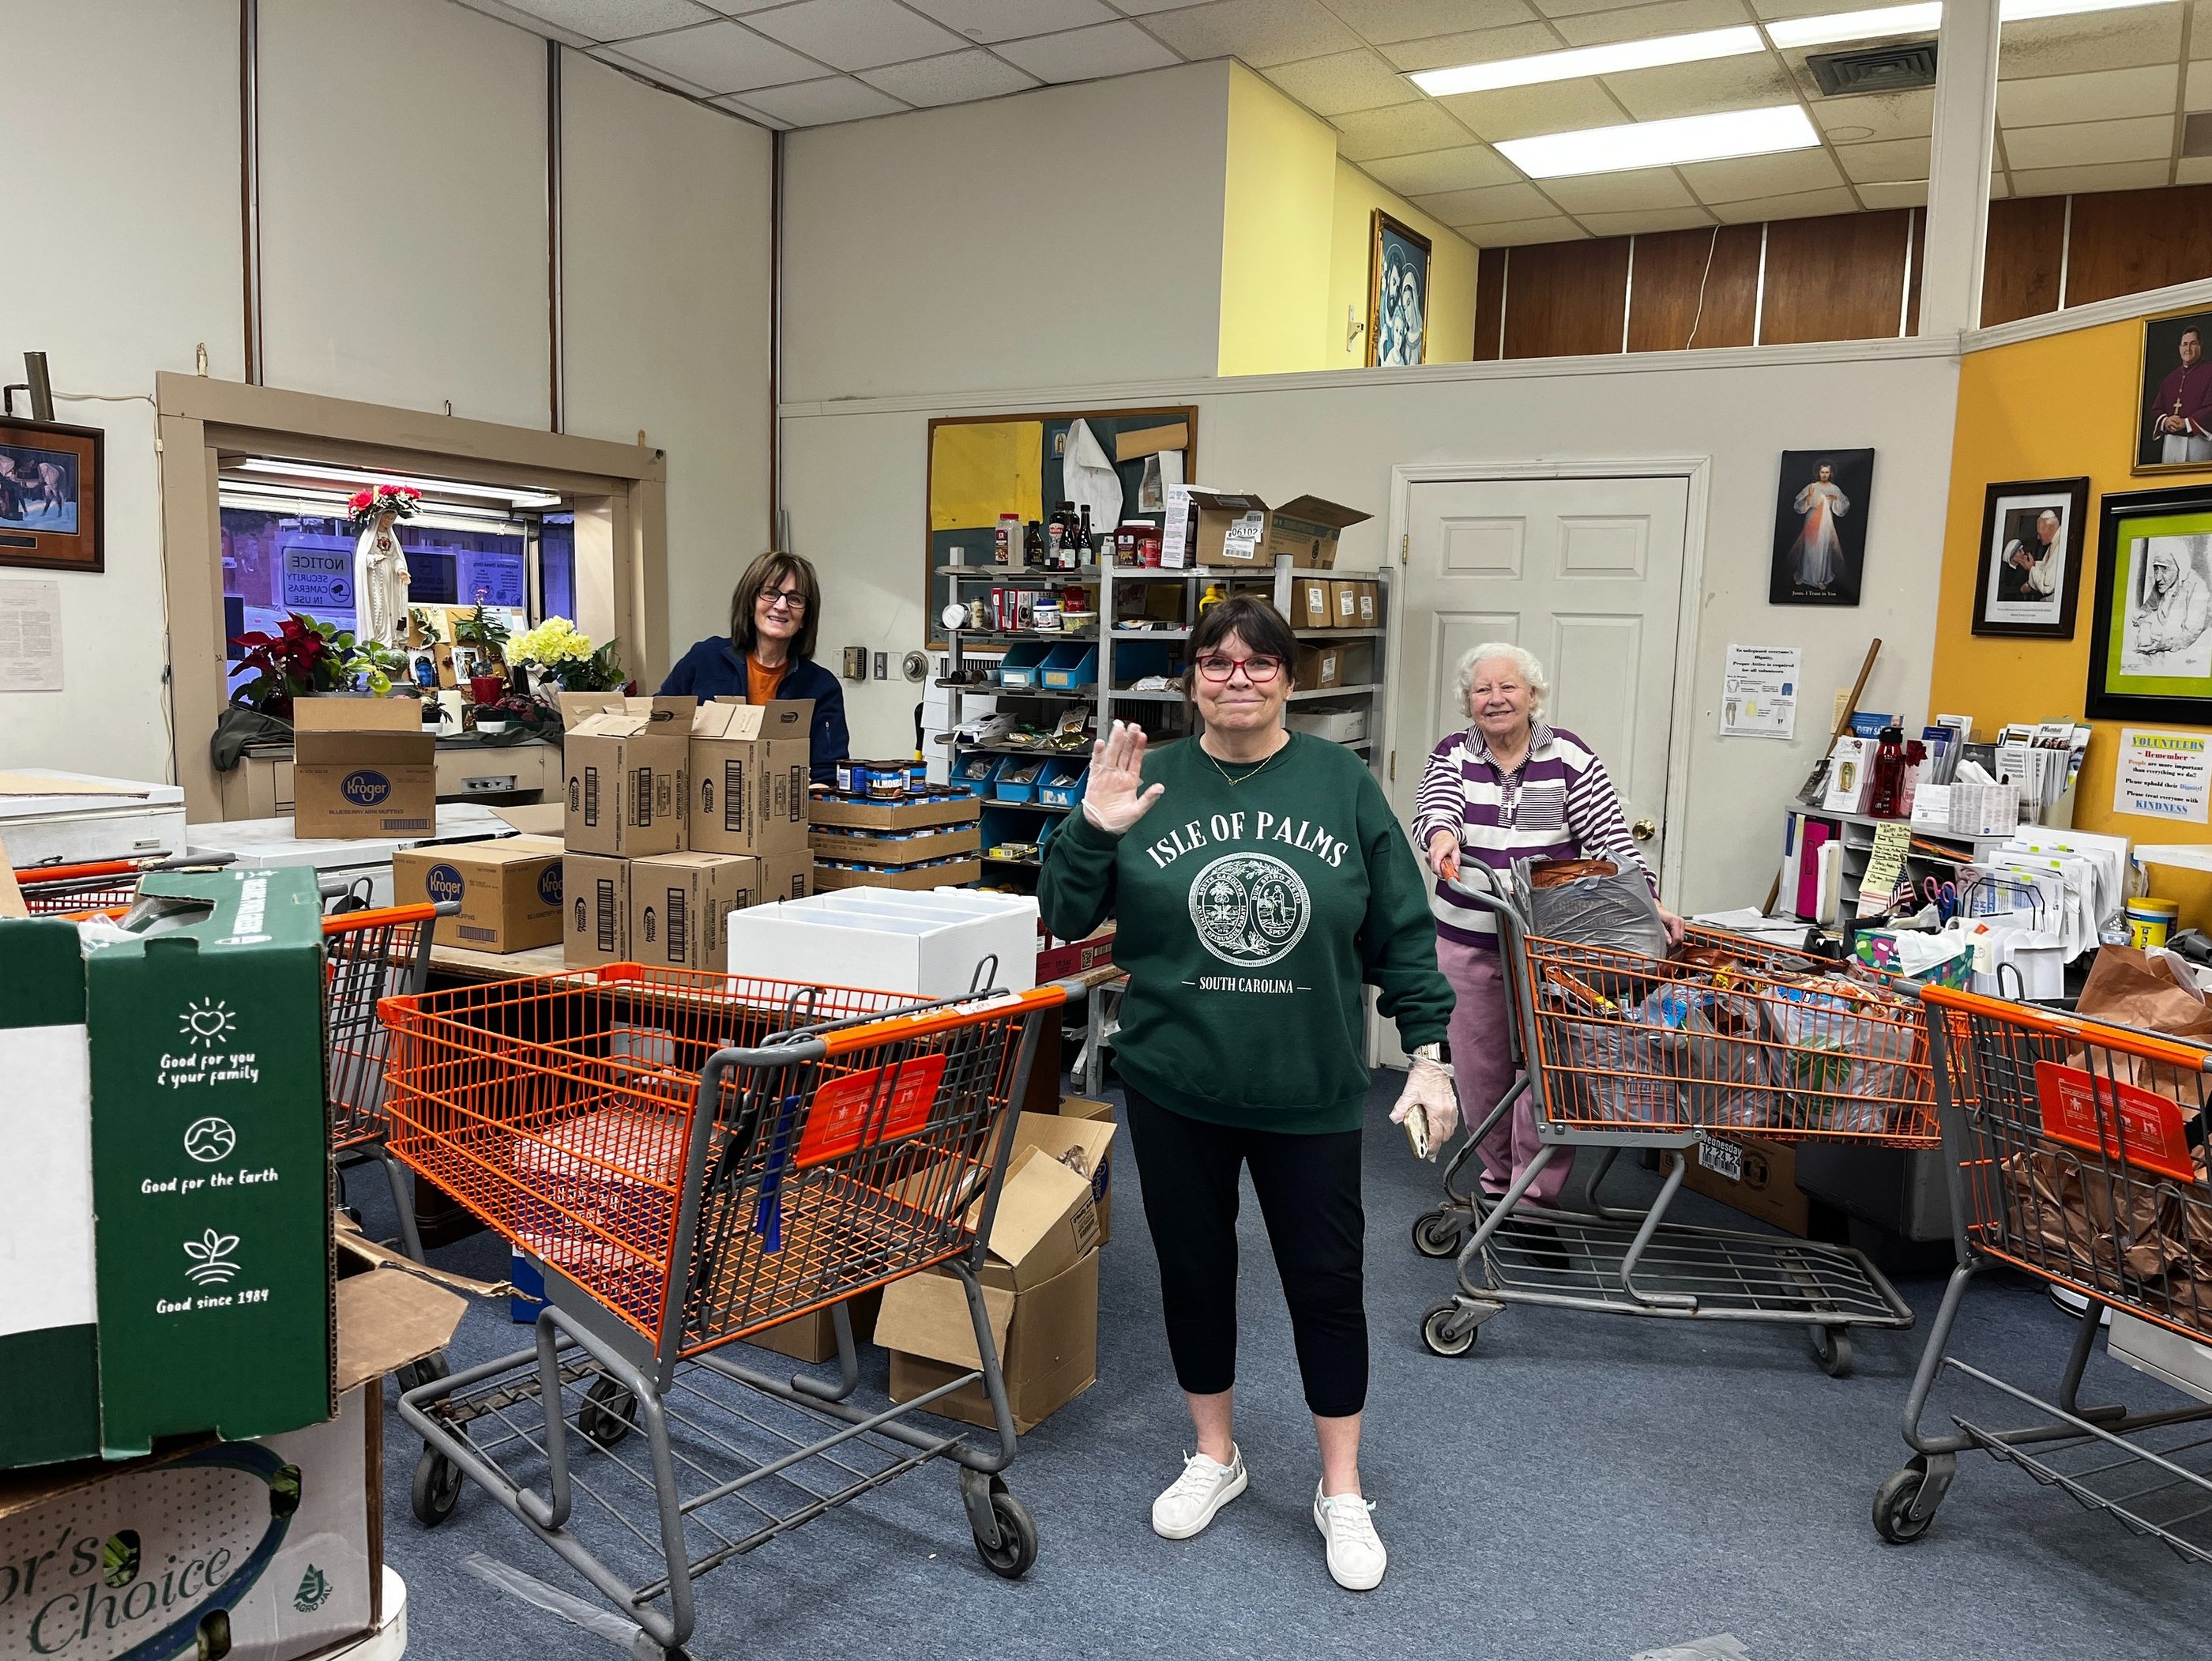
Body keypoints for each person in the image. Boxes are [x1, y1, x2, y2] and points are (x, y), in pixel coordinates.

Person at [1037, 595, 1456, 1594]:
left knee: (1325, 1280)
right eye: (1215, 661)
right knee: (1194, 1270)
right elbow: (1059, 914)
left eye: (1258, 661)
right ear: (1189, 678)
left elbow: (1399, 929)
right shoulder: (1148, 776)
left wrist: (1430, 1051)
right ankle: (1214, 1453)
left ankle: (1340, 1486)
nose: (1237, 677)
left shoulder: (1339, 781)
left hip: (1306, 1088)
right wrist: (1094, 827)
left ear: (1289, 676)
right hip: (1176, 1081)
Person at [1412, 643, 1683, 1210]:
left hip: (1547, 947)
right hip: (1468, 936)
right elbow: (1437, 808)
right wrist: (1442, 837)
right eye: (1482, 690)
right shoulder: (1453, 754)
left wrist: (1645, 903)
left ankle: (1533, 1198)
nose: (1495, 699)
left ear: (1533, 696)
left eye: (1508, 687)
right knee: (1480, 1067)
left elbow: (1610, 839)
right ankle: (1496, 1184)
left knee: (1547, 1067)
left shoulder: (1570, 757)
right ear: (1469, 702)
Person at [661, 550, 848, 786]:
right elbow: (660, 728)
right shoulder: (704, 659)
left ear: (805, 618)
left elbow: (828, 773)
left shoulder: (822, 687)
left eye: (795, 599)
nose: (781, 606)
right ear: (750, 603)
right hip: (702, 805)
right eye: (770, 593)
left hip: (783, 813)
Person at [2149, 326, 2212, 465]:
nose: (2188, 349)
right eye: (2184, 344)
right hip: (2171, 444)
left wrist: (2187, 423)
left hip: (2199, 442)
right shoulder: (2170, 378)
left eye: (2193, 343)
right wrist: (2166, 421)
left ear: (2200, 346)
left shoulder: (2210, 371)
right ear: (2179, 348)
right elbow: (2156, 409)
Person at [1789, 461, 1849, 591]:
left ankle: (1821, 579)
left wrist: (1836, 499)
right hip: (1812, 519)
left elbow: (1843, 504)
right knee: (1809, 548)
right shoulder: (1812, 487)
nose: (1824, 475)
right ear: (1819, 473)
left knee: (1823, 548)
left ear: (1830, 473)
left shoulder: (1834, 489)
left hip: (1826, 521)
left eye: (1827, 472)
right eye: (1822, 472)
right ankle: (1804, 576)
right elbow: (1799, 504)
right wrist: (1808, 499)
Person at [1998, 509, 2063, 605]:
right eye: (2019, 551)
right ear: (2011, 555)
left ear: (2050, 528)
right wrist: (2033, 565)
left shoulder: (2060, 544)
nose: (2038, 537)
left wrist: (2031, 568)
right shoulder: (2003, 571)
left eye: (2039, 533)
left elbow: (2047, 585)